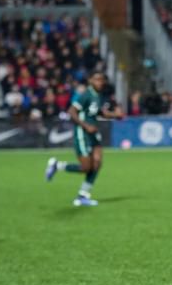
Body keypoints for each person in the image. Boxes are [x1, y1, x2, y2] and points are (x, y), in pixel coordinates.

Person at [45, 72, 123, 206]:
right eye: (97, 79)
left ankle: (83, 195)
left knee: (97, 163)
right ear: (91, 80)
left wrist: (115, 115)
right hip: (83, 133)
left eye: (102, 80)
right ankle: (57, 165)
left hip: (93, 134)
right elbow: (72, 111)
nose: (100, 82)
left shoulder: (97, 95)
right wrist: (86, 126)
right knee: (86, 167)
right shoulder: (86, 94)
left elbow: (99, 112)